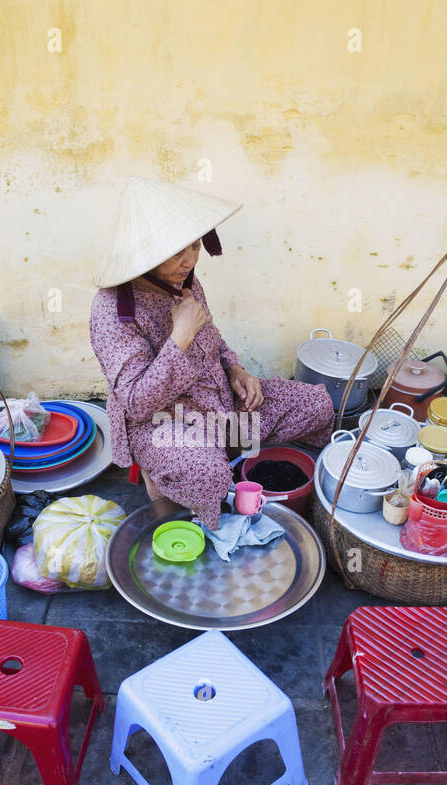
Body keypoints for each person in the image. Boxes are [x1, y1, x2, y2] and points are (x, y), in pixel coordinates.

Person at [89, 178, 333, 530]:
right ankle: (171, 472)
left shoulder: (183, 281)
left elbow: (214, 340)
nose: (189, 260)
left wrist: (236, 370)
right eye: (176, 253)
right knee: (209, 480)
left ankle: (222, 452)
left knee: (317, 406)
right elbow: (137, 404)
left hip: (220, 406)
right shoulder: (112, 312)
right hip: (162, 424)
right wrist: (180, 336)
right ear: (145, 255)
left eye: (194, 246)